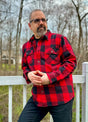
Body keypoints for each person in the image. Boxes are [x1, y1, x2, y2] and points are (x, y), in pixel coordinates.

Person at [18, 9, 77, 122]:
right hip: (38, 98)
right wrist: (28, 75)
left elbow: (71, 62)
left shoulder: (59, 39)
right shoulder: (26, 46)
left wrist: (50, 78)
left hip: (61, 97)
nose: (41, 22)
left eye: (43, 20)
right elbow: (25, 67)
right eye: (37, 20)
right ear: (30, 25)